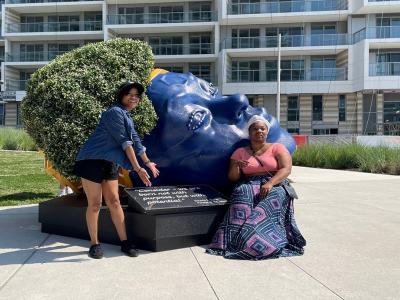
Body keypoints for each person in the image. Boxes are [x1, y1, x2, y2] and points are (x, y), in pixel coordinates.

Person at [138, 70, 296, 194]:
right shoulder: (240, 154)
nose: (239, 100)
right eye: (199, 120)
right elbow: (233, 176)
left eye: (209, 89)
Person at [73, 81, 160, 259]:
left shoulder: (127, 116)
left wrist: (148, 162)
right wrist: (137, 168)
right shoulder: (114, 113)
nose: (134, 98)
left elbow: (136, 141)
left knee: (114, 201)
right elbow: (125, 142)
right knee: (95, 204)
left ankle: (125, 242)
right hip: (91, 160)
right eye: (130, 94)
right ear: (122, 95)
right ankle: (94, 244)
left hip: (109, 162)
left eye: (137, 95)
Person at [206, 115, 306, 260]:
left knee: (270, 196)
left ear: (267, 131)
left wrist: (270, 183)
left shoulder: (278, 148)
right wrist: (237, 166)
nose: (259, 131)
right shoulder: (240, 152)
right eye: (255, 129)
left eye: (262, 128)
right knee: (241, 192)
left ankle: (266, 241)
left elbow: (286, 169)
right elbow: (233, 178)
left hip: (274, 182)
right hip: (248, 183)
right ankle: (239, 240)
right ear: (249, 132)